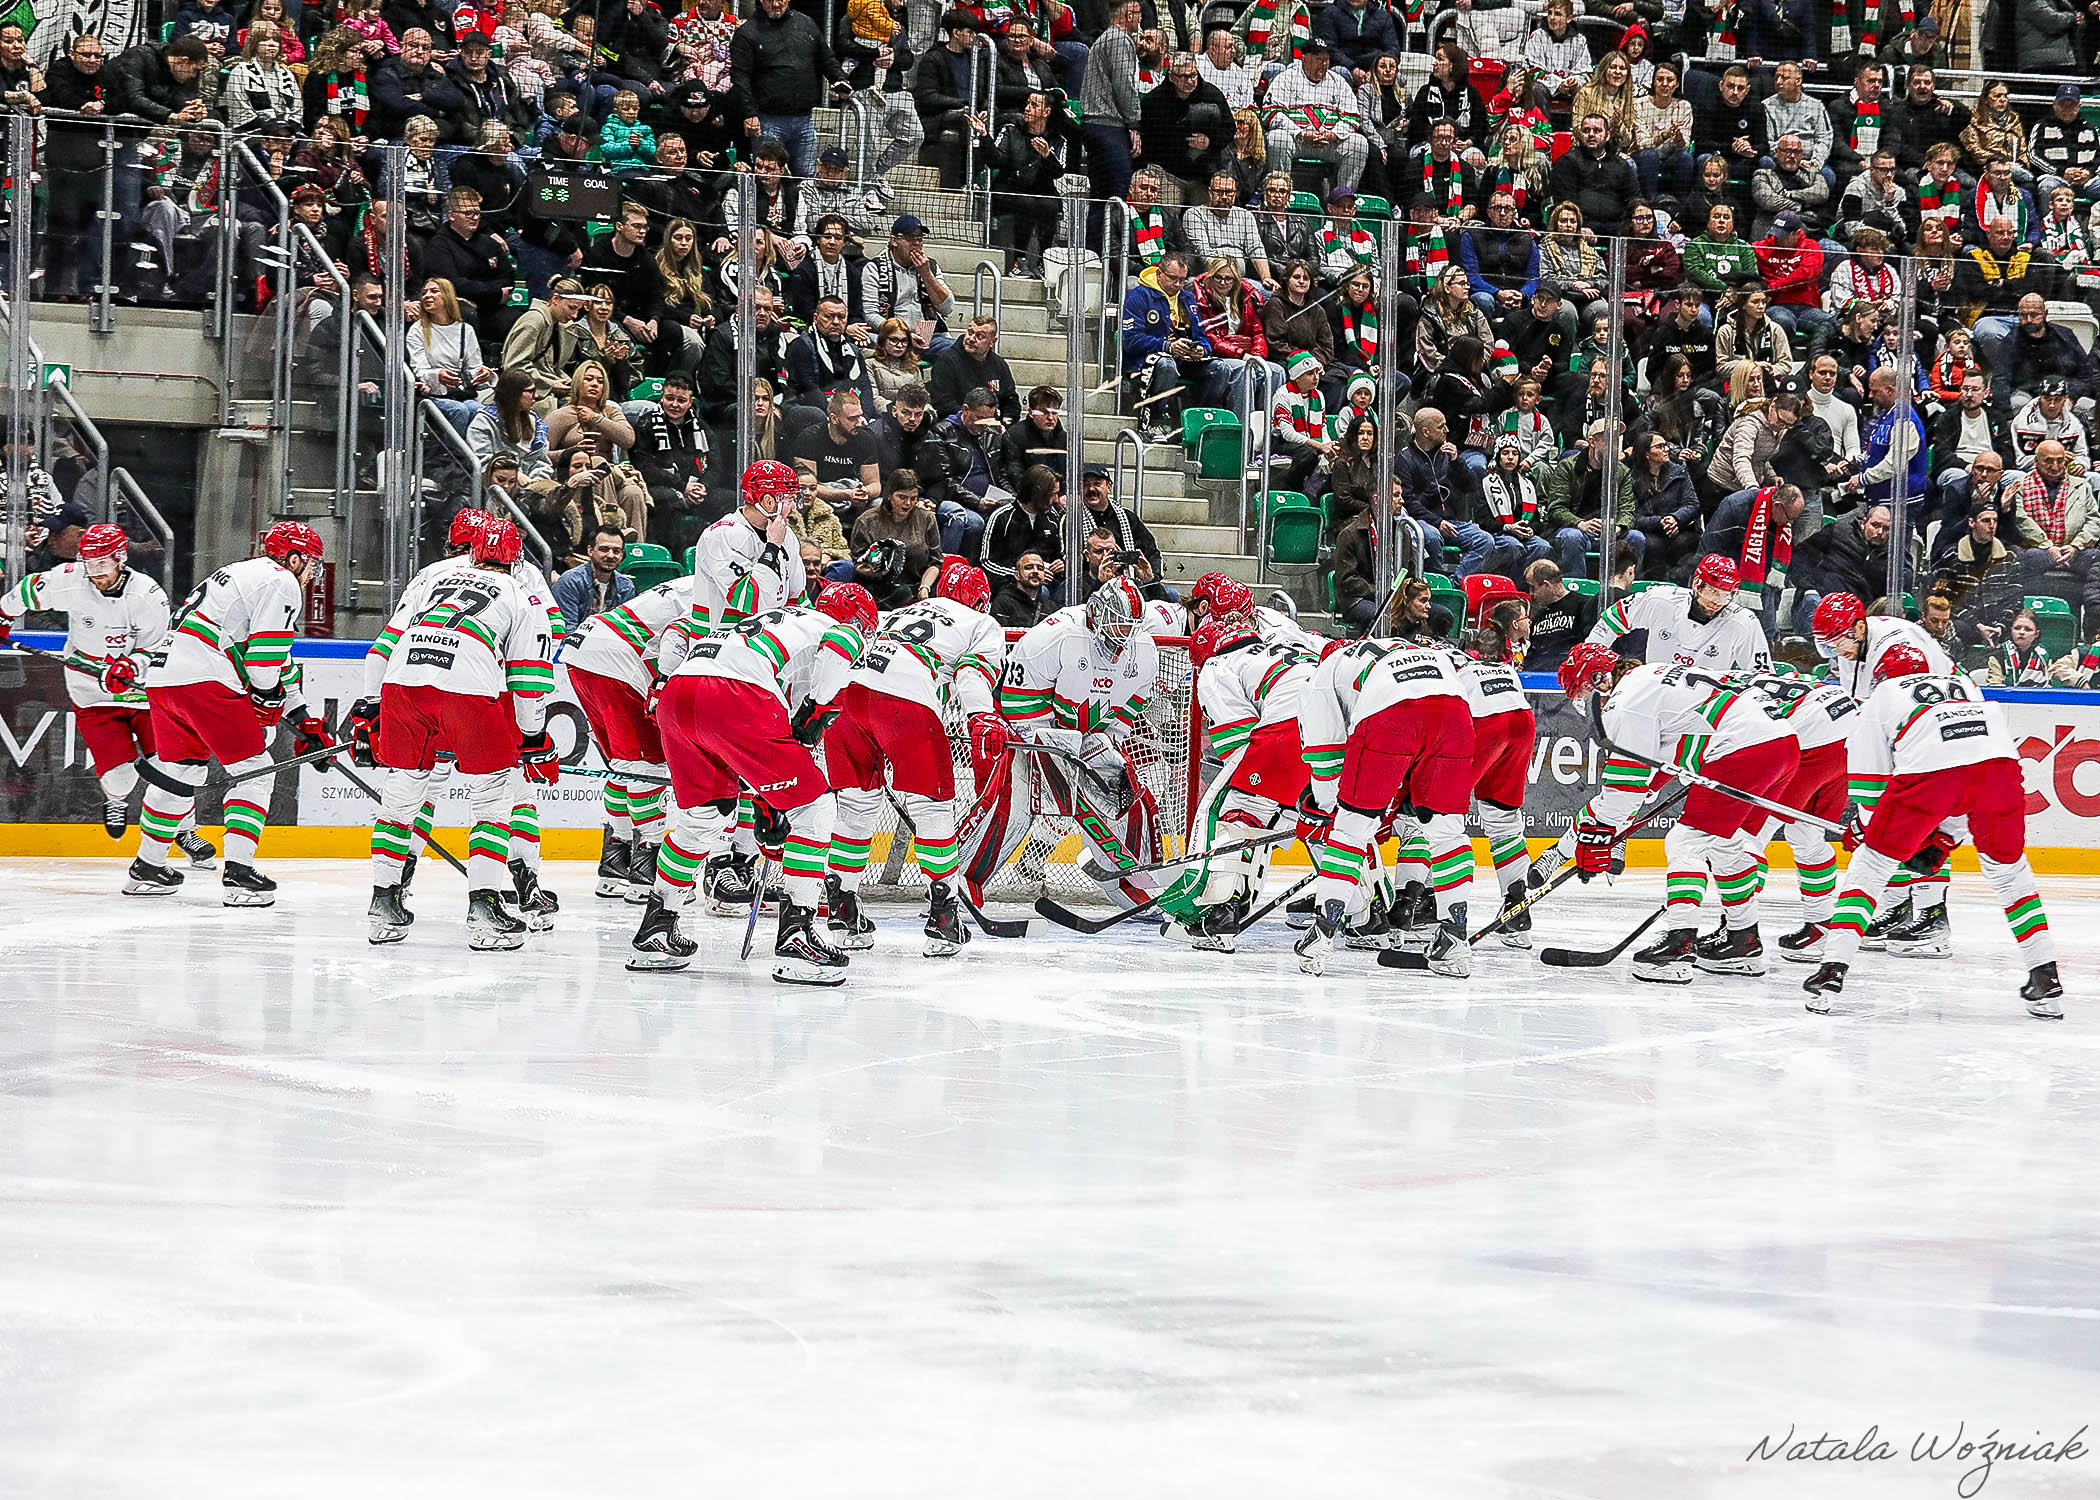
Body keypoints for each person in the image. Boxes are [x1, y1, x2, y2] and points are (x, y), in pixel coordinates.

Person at [1804, 645, 2061, 1019]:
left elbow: (1870, 787)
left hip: (1931, 773)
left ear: (1880, 674)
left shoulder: (1883, 695)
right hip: (2000, 770)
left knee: (1870, 868)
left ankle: (1832, 970)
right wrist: (1945, 838)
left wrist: (1864, 828)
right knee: (2010, 873)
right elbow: (1969, 767)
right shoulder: (1964, 682)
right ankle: (2045, 973)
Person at [351, 518, 556, 949]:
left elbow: (382, 648)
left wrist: (370, 708)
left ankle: (383, 905)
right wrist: (534, 738)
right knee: (493, 799)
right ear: (516, 558)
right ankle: (485, 910)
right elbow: (529, 677)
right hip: (469, 688)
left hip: (403, 684)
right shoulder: (521, 591)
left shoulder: (434, 578)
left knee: (402, 796)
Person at [1560, 645, 1801, 982]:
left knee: (1685, 842)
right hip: (1783, 744)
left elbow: (1624, 791)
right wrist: (1622, 812)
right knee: (1725, 845)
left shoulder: (1624, 700)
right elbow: (1673, 748)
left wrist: (1599, 831)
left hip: (1744, 747)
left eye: (1583, 692)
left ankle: (1679, 944)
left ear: (1600, 680)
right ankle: (1742, 941)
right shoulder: (1652, 675)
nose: (1587, 703)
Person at [125, 523, 333, 904]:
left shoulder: (244, 573)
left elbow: (276, 658)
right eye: (311, 564)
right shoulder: (282, 582)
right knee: (255, 770)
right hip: (204, 675)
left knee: (181, 771)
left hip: (165, 676)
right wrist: (268, 699)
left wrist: (303, 717)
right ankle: (239, 875)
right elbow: (264, 664)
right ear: (294, 558)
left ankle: (147, 867)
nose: (311, 574)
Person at [821, 562, 1008, 957]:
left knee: (855, 809)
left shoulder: (902, 610)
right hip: (905, 702)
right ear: (980, 600)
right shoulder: (982, 623)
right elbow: (971, 674)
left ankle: (842, 907)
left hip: (846, 698)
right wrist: (981, 716)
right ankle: (943, 918)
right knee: (932, 810)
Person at [0, 525, 211, 857]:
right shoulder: (71, 580)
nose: (95, 572)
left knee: (171, 765)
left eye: (102, 563)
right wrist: (3, 615)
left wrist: (132, 666)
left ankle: (185, 829)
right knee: (120, 778)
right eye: (89, 563)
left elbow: (159, 648)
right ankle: (115, 799)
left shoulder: (147, 595)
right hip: (90, 691)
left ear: (120, 558)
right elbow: (27, 591)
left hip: (142, 694)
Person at [956, 578, 1162, 911]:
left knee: (1128, 795)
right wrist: (1048, 747)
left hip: (1088, 734)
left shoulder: (1144, 650)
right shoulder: (1056, 635)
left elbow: (1133, 702)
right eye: (1117, 623)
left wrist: (1107, 741)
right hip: (1029, 728)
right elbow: (1017, 698)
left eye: (1130, 626)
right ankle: (958, 883)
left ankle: (1134, 885)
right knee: (1012, 806)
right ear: (1097, 612)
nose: (1124, 634)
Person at [1293, 636, 1476, 979]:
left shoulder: (1322, 675)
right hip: (1455, 709)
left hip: (1392, 713)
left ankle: (1322, 934)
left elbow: (1326, 763)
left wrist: (1329, 804)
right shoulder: (1400, 647)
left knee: (1350, 828)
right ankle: (1455, 937)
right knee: (1447, 831)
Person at [1262, 39, 1367, 194]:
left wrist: (1333, 134)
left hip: (1329, 143)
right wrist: (1301, 133)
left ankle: (1343, 198)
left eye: (1326, 59)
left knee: (1359, 143)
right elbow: (1271, 114)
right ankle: (1280, 194)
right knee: (1277, 138)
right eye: (1318, 59)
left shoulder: (1338, 82)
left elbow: (1352, 117)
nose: (1323, 64)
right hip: (1297, 141)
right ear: (1304, 58)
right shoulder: (1285, 78)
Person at [1540, 420, 1637, 580]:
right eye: (1608, 440)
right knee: (1572, 536)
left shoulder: (1622, 471)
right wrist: (1580, 523)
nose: (1614, 446)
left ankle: (1624, 588)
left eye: (1616, 440)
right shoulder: (1568, 467)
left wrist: (1619, 527)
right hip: (1577, 529)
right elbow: (1556, 508)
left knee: (1636, 537)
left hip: (1609, 532)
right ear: (1592, 442)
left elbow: (1627, 509)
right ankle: (1576, 588)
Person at [849, 468, 946, 600]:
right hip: (879, 589)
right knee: (902, 593)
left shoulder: (927, 518)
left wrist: (925, 587)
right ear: (889, 495)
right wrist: (876, 569)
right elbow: (856, 564)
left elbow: (936, 562)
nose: (908, 503)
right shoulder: (866, 521)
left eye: (913, 498)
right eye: (902, 497)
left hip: (918, 584)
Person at [553, 524, 638, 633]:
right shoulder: (570, 582)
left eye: (616, 551)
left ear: (622, 555)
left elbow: (625, 631)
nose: (611, 555)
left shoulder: (626, 586)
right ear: (590, 551)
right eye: (604, 549)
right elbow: (566, 630)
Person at [1522, 557, 1600, 675]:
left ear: (1546, 585)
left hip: (1569, 673)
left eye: (1533, 587)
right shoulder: (1539, 616)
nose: (1531, 593)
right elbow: (1532, 652)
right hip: (1537, 674)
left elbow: (1589, 646)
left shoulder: (1584, 605)